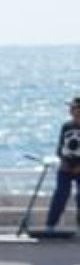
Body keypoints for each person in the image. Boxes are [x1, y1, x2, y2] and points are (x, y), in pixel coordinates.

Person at [44, 97, 80, 233]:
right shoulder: (67, 126)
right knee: (60, 194)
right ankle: (50, 225)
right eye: (71, 108)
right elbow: (60, 147)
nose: (72, 110)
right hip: (66, 166)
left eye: (75, 107)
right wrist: (63, 161)